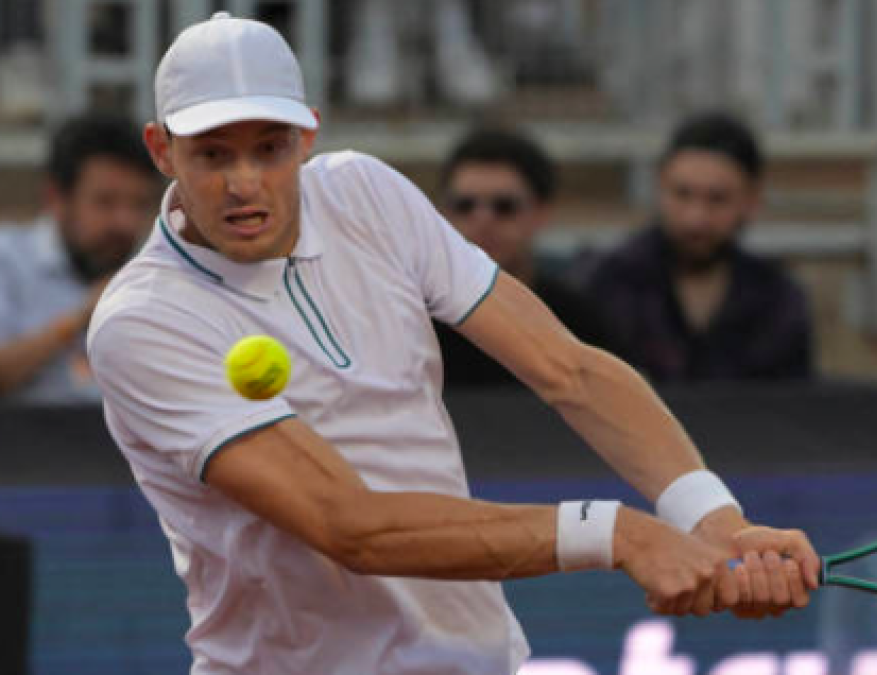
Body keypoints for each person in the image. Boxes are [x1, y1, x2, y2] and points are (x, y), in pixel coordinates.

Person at [86, 13, 819, 674]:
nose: (246, 183)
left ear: (308, 133)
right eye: (213, 155)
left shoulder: (368, 192)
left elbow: (567, 368)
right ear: (161, 149)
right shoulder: (144, 323)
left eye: (269, 148)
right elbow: (349, 526)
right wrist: (618, 533)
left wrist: (716, 519)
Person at [586, 112, 815, 382]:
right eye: (682, 194)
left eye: (717, 199)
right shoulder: (610, 285)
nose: (696, 218)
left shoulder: (778, 301)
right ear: (660, 188)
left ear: (751, 201)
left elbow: (794, 407)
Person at [0, 115, 159, 404]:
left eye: (139, 204)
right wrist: (79, 319)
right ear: (55, 198)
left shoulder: (156, 271)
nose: (125, 222)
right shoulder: (8, 260)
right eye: (105, 202)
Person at [435, 126, 610, 386]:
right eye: (465, 205)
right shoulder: (413, 326)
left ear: (541, 212)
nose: (483, 220)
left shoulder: (579, 325)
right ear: (443, 213)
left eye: (504, 206)